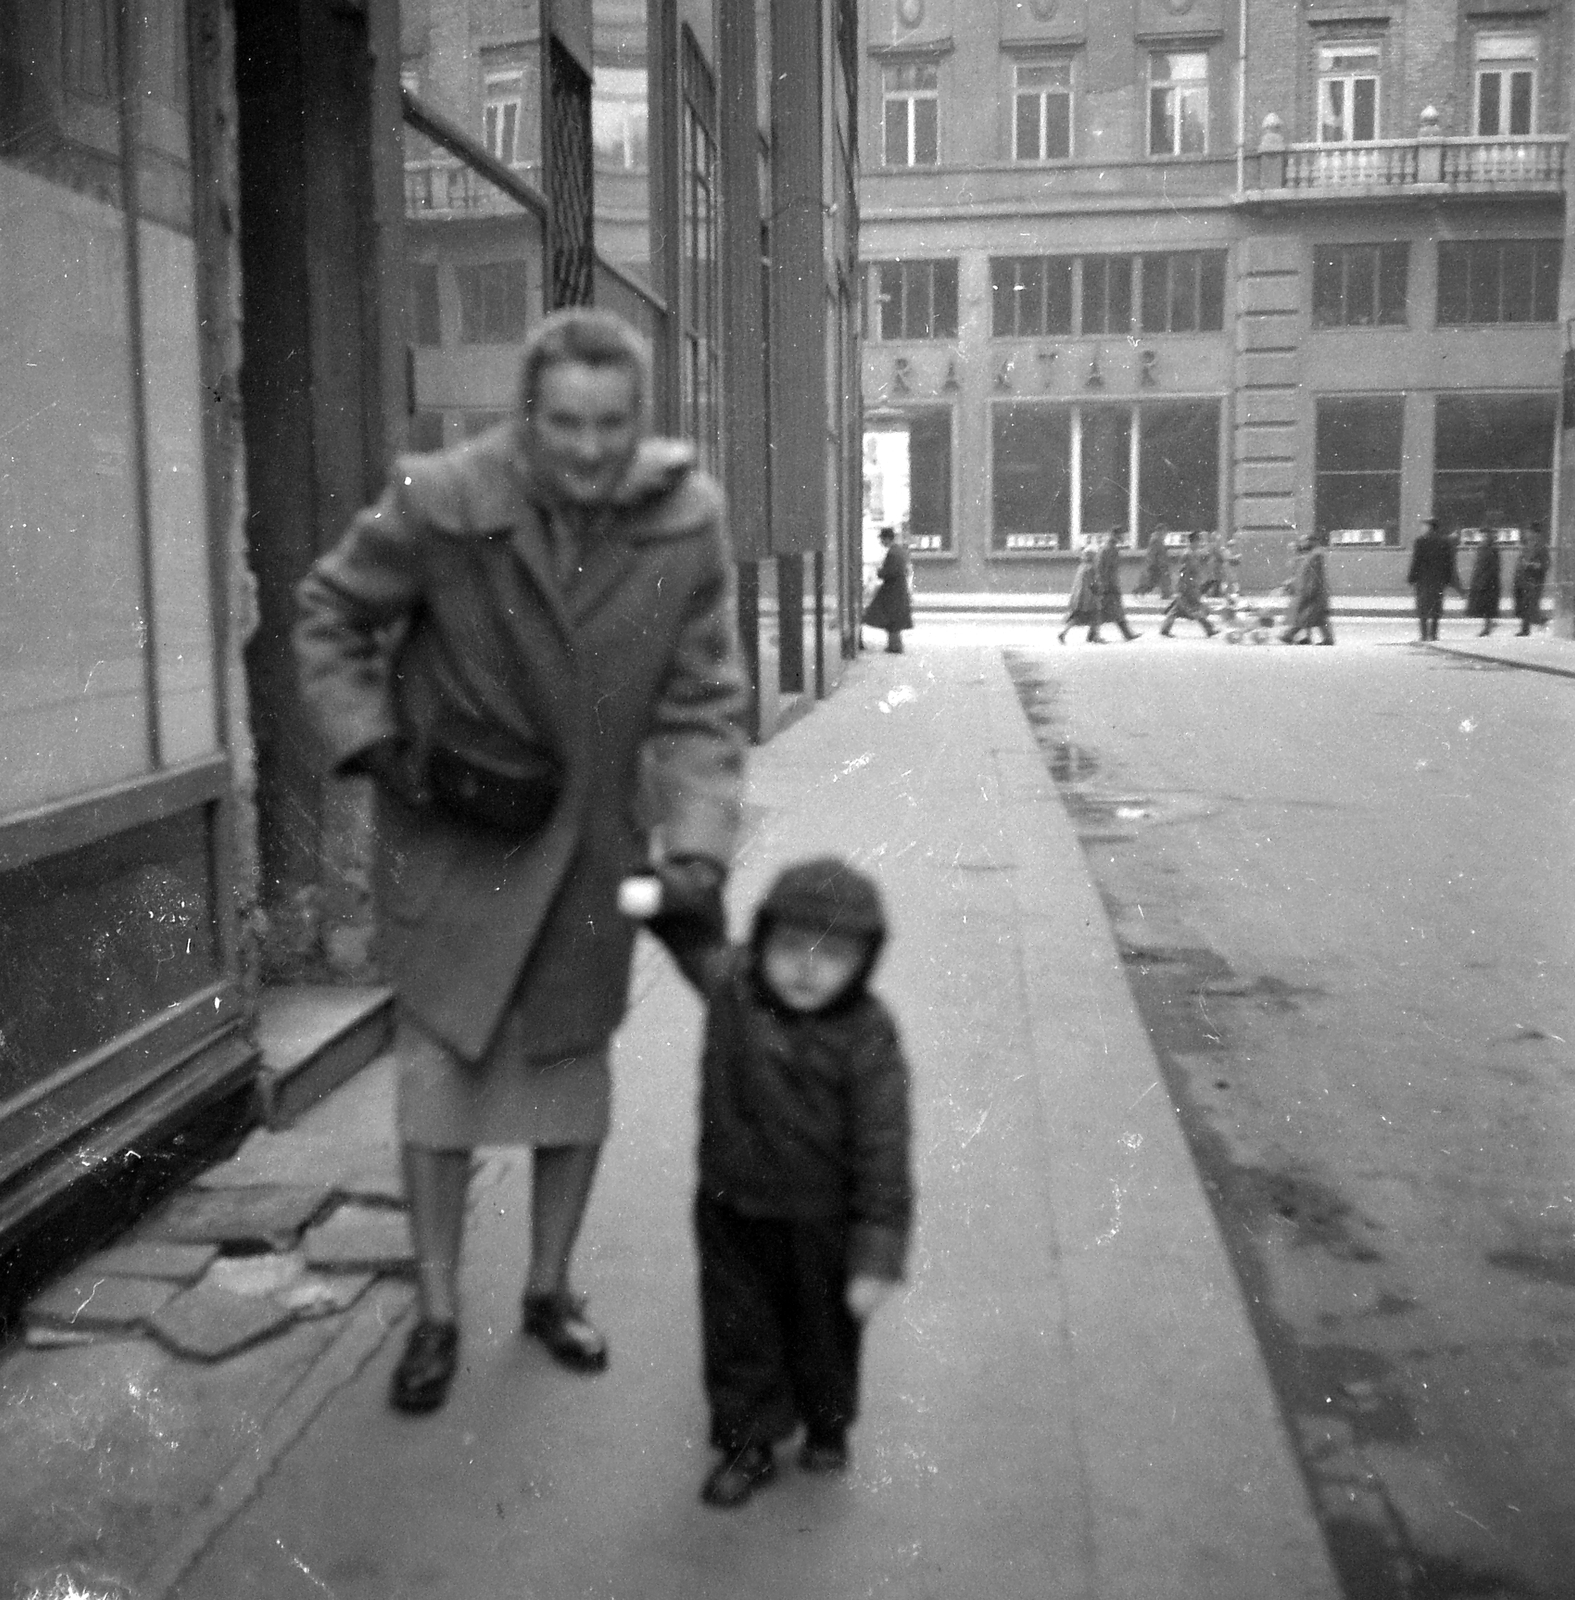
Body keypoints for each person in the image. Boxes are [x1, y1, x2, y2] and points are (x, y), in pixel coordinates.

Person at [294, 308, 749, 1415]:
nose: (589, 449)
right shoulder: (440, 498)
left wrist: (695, 845)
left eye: (612, 424)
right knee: (437, 1087)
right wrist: (378, 745)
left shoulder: (686, 523)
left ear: (639, 421)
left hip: (593, 853)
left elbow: (703, 703)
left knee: (570, 1082)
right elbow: (331, 612)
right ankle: (436, 1312)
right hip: (455, 844)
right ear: (527, 417)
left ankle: (548, 1290)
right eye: (566, 423)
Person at [633, 856, 913, 1509]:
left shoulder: (867, 1032)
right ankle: (746, 1444)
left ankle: (826, 1422)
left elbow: (884, 1145)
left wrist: (876, 1254)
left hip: (824, 1220)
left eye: (832, 954)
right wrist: (639, 886)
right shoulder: (733, 985)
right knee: (737, 1331)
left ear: (863, 960)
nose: (806, 969)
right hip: (732, 1205)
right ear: (760, 941)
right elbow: (687, 934)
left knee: (825, 1332)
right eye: (789, 947)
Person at [1406, 516, 1460, 641]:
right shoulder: (1444, 542)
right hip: (1438, 580)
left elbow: (1416, 561)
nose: (1422, 528)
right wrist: (1447, 579)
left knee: (1423, 607)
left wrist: (1412, 578)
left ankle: (1424, 634)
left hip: (1423, 580)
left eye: (1425, 526)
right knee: (1436, 606)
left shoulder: (1420, 541)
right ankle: (1434, 634)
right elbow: (1448, 562)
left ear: (1430, 527)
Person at [862, 526, 913, 653]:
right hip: (898, 589)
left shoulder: (892, 553)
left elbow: (890, 572)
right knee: (893, 619)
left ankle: (895, 646)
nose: (881, 542)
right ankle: (895, 645)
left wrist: (879, 572)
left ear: (887, 539)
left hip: (892, 591)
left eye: (882, 539)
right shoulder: (899, 551)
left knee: (891, 619)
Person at [1158, 531, 1217, 638]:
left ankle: (1165, 629)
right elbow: (1183, 572)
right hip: (1188, 587)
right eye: (1198, 541)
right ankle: (1209, 629)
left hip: (1190, 585)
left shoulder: (1194, 554)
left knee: (1176, 609)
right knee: (1196, 608)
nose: (1200, 543)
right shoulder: (1187, 554)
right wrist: (1183, 586)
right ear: (1193, 542)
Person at [1279, 531, 1334, 646]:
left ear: (1311, 541)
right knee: (1319, 617)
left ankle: (1289, 635)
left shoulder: (1315, 555)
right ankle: (1328, 639)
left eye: (1304, 541)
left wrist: (1309, 590)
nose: (1302, 543)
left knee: (1306, 616)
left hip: (1314, 591)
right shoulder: (1313, 554)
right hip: (1316, 591)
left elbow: (1314, 575)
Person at [1095, 528, 1141, 641]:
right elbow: (1103, 569)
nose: (1122, 538)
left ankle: (1127, 634)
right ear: (1114, 535)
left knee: (1114, 611)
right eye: (1120, 535)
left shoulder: (1111, 549)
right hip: (1109, 586)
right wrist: (1105, 584)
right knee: (1106, 611)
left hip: (1110, 585)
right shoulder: (1108, 550)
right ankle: (1094, 634)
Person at [1057, 541, 1102, 643]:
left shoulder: (1082, 567)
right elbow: (1093, 583)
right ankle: (1096, 636)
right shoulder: (1092, 568)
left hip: (1079, 597)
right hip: (1089, 597)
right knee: (1096, 615)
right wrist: (1099, 590)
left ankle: (1063, 633)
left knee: (1077, 618)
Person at [1512, 522, 1550, 636]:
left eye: (1529, 531)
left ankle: (1538, 622)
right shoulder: (1527, 545)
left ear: (1535, 533)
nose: (1526, 533)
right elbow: (1521, 560)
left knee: (1529, 605)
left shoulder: (1541, 547)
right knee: (1525, 605)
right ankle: (1528, 627)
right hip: (1524, 579)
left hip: (1534, 580)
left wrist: (1532, 565)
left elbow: (1546, 564)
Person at [1465, 530, 1502, 636]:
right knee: (1486, 606)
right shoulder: (1486, 548)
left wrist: (1482, 579)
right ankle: (1488, 625)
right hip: (1486, 580)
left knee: (1487, 606)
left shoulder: (1489, 548)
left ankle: (1488, 626)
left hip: (1487, 581)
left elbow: (1490, 566)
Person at [1133, 527, 1173, 601]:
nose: (1165, 534)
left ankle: (1166, 594)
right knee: (1154, 581)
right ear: (1161, 530)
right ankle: (1139, 590)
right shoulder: (1156, 539)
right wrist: (1153, 563)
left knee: (1157, 580)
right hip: (1156, 564)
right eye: (1165, 531)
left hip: (1158, 563)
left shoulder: (1158, 539)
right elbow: (1154, 552)